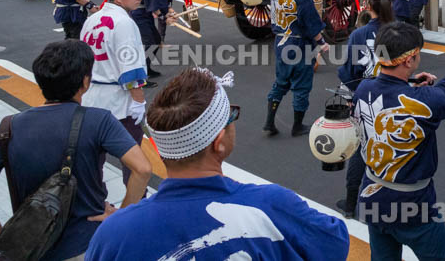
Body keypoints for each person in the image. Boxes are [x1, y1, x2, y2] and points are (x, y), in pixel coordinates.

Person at [87, 67, 349, 260]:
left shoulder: (113, 235)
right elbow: (335, 243)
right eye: (231, 115)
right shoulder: (272, 206)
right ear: (219, 142)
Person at [0, 40, 151, 261]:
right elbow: (143, 169)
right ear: (85, 82)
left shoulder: (8, 127)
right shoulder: (99, 120)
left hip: (32, 245)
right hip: (88, 245)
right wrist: (121, 217)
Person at [353, 23, 445, 261]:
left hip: (372, 196)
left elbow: (390, 91)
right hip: (411, 206)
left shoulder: (362, 88)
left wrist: (408, 83)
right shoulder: (423, 101)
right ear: (409, 60)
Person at [80, 0, 152, 189]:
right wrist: (139, 102)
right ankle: (135, 206)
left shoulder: (91, 20)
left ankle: (92, 202)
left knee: (93, 161)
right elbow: (131, 69)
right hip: (119, 104)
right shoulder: (124, 23)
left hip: (91, 98)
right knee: (134, 164)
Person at [336, 0, 395, 218]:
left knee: (362, 148)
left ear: (369, 7)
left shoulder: (359, 35)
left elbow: (349, 71)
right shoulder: (398, 33)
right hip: (393, 94)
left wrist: (350, 88)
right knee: (391, 144)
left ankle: (351, 204)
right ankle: (389, 200)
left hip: (365, 95)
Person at [264, 0, 330, 137]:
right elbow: (310, 23)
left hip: (281, 41)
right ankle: (297, 126)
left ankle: (269, 121)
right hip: (299, 44)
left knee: (281, 82)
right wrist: (322, 43)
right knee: (301, 85)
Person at [131, 0, 175, 79]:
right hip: (138, 11)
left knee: (155, 40)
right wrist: (162, 16)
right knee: (148, 42)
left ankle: (147, 69)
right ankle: (140, 75)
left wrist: (167, 12)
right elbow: (151, 1)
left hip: (145, 11)